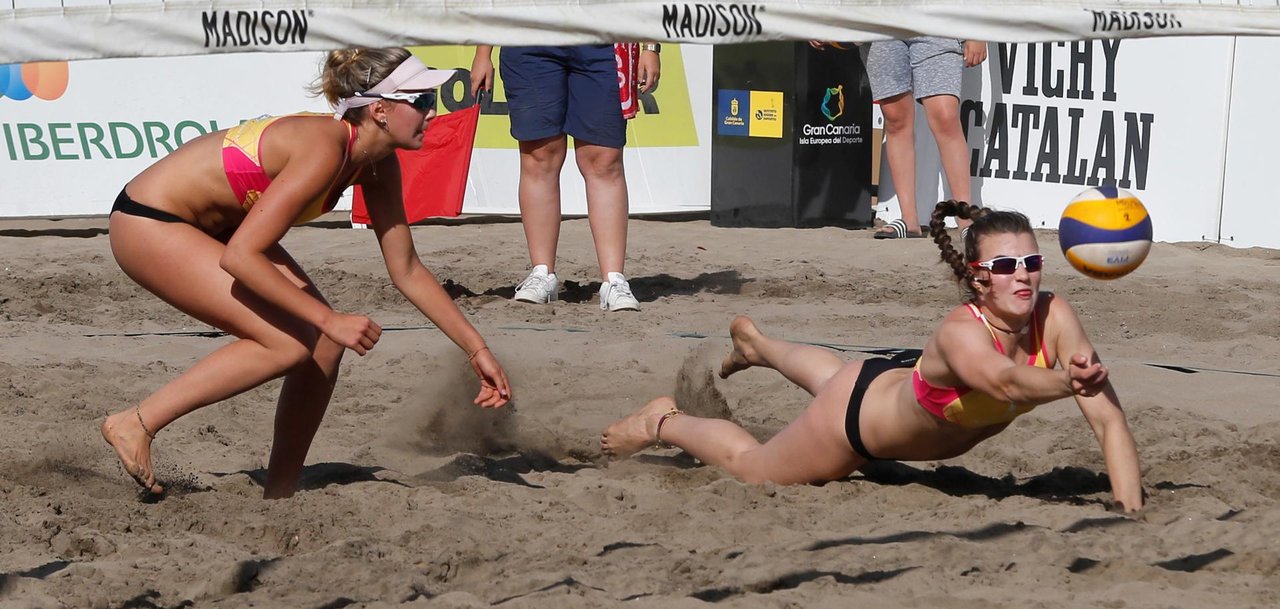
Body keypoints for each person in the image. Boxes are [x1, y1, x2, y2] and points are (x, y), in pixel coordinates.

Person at [100, 48, 512, 498]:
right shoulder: (323, 147)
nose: (431, 112)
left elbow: (407, 269)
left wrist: (476, 350)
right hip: (149, 221)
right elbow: (240, 257)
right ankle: (135, 423)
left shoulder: (376, 164)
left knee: (323, 348)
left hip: (215, 227)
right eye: (419, 101)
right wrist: (328, 319)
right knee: (289, 343)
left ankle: (280, 493)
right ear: (379, 109)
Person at [602, 201, 1144, 512]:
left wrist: (1130, 514)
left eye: (1031, 261)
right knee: (753, 467)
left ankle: (758, 346)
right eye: (1005, 266)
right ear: (977, 278)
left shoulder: (1055, 316)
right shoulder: (962, 332)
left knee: (838, 377)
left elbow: (1109, 422)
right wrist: (1069, 383)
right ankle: (662, 421)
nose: (1022, 274)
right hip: (852, 427)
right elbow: (1004, 382)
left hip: (878, 383)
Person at [469, 43, 660, 311]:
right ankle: (542, 273)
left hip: (600, 38)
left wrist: (650, 47)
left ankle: (613, 280)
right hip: (530, 37)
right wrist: (482, 53)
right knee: (539, 156)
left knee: (603, 160)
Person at [867, 37, 986, 239]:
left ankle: (966, 220)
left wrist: (977, 33)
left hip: (938, 24)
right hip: (887, 24)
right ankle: (909, 221)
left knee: (945, 117)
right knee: (895, 119)